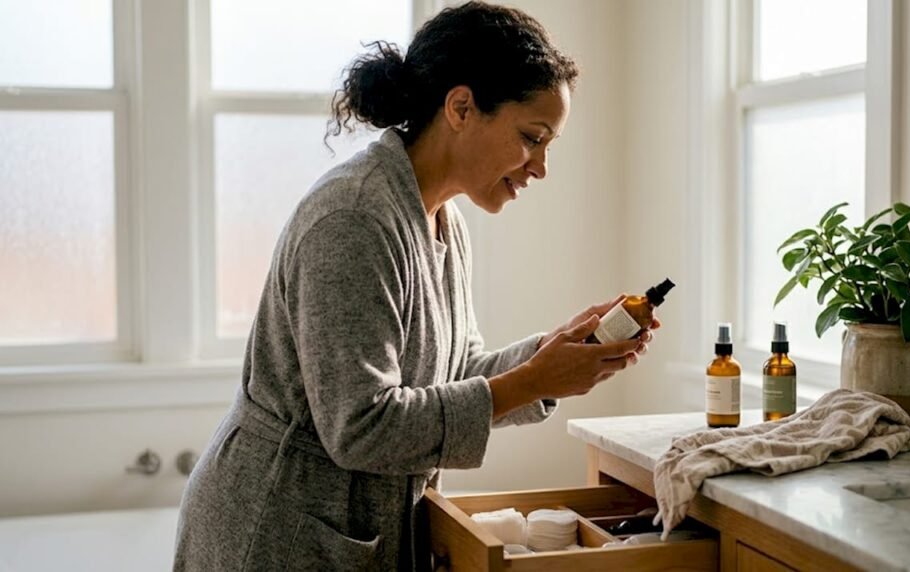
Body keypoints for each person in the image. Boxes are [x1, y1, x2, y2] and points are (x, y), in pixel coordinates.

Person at [173, 2, 657, 570]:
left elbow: (451, 375)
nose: (540, 167)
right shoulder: (353, 220)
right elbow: (361, 426)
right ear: (461, 107)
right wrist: (531, 380)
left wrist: (555, 357)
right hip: (275, 534)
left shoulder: (441, 218)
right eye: (532, 138)